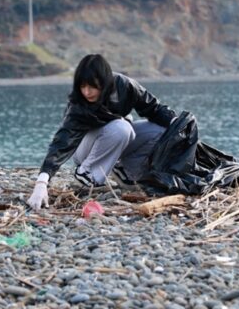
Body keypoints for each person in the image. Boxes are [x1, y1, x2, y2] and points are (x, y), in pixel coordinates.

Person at [27, 54, 176, 210]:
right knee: (122, 127)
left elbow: (154, 109)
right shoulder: (78, 105)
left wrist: (177, 124)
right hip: (85, 150)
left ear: (105, 82)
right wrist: (42, 182)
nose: (87, 92)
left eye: (92, 86)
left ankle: (127, 172)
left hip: (113, 141)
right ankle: (88, 174)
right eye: (82, 86)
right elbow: (62, 142)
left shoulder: (125, 86)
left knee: (160, 130)